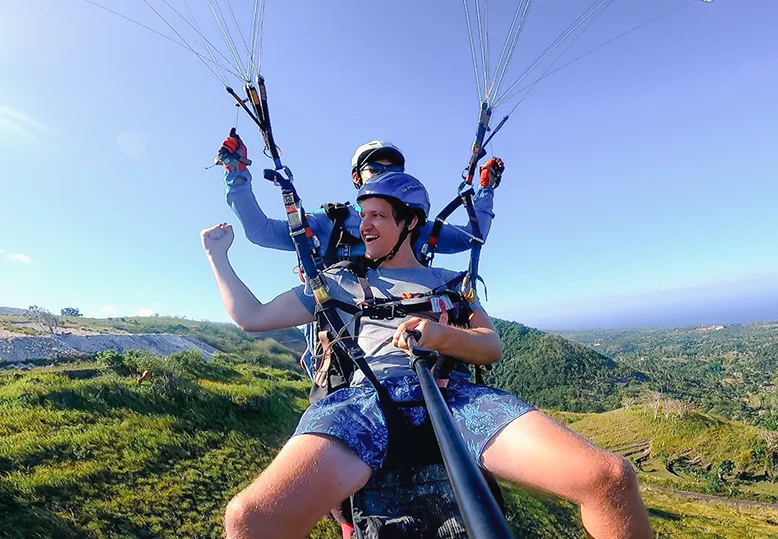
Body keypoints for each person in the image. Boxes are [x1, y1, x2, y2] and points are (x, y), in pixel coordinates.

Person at [202, 172, 654, 539]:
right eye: (363, 216)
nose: (365, 226)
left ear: (410, 223)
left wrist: (437, 334)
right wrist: (218, 258)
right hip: (363, 403)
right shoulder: (337, 282)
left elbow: (489, 347)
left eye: (378, 215)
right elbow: (253, 316)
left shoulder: (452, 283)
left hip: (452, 394)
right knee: (248, 519)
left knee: (609, 478)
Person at [217, 130, 505, 380]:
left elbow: (471, 235)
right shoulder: (331, 222)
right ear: (357, 177)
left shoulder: (412, 224)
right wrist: (236, 173)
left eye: (394, 171)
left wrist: (485, 189)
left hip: (408, 329)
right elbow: (260, 231)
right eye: (376, 169)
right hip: (343, 329)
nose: (387, 174)